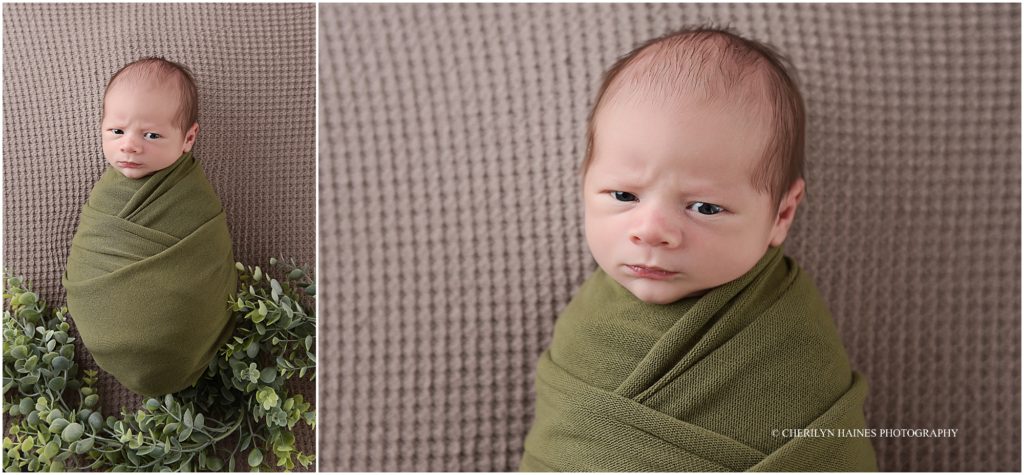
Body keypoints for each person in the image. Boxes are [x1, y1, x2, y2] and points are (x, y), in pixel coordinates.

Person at [519, 27, 878, 471]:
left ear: (781, 215)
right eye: (623, 196)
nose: (651, 232)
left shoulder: (791, 341)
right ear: (584, 184)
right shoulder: (586, 326)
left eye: (705, 207)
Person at [63, 57, 236, 396]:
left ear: (188, 139)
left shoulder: (192, 198)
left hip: (182, 335)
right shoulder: (105, 196)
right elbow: (92, 248)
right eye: (116, 131)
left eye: (152, 135)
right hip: (103, 326)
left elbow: (208, 261)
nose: (129, 145)